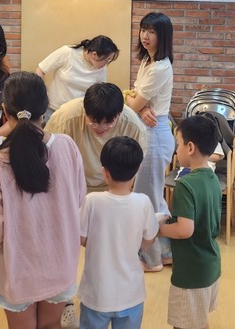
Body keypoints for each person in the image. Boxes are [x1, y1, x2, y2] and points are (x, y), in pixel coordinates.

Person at [0, 72, 85, 329]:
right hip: (60, 262)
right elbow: (79, 200)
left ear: (5, 111)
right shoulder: (67, 147)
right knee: (52, 326)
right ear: (45, 109)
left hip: (17, 269)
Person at [78, 136, 159, 329]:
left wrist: (98, 243)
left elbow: (82, 238)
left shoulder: (92, 200)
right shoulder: (143, 202)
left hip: (96, 293)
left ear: (104, 171)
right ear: (137, 170)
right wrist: (135, 247)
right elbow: (149, 238)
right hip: (131, 293)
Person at [158, 115, 221, 329]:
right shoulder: (213, 178)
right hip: (210, 264)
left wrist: (159, 229)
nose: (177, 150)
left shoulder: (185, 185)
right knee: (199, 321)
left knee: (185, 324)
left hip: (191, 272)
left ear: (190, 147)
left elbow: (184, 230)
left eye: (178, 144)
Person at [126, 12, 174, 271]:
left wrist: (138, 105)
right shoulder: (147, 60)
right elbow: (134, 97)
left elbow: (132, 102)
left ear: (162, 36)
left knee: (148, 200)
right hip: (147, 130)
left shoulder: (160, 67)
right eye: (143, 29)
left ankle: (151, 259)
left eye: (152, 31)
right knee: (153, 197)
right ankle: (165, 253)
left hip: (154, 134)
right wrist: (140, 105)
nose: (145, 36)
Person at [44, 82, 147, 192]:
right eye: (93, 121)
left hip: (113, 188)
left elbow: (135, 165)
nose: (100, 127)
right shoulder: (65, 118)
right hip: (72, 185)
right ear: (85, 111)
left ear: (119, 114)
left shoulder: (133, 125)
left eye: (108, 122)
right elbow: (47, 153)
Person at [37, 35, 119, 121]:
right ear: (94, 54)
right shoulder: (67, 52)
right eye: (106, 60)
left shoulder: (101, 68)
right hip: (54, 109)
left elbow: (99, 91)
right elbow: (41, 70)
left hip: (78, 114)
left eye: (109, 61)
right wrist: (42, 95)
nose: (106, 64)